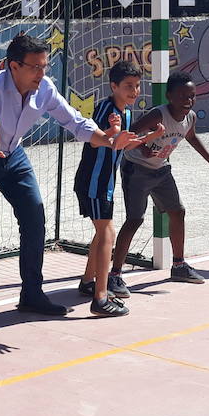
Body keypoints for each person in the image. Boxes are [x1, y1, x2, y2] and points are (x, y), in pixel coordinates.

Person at [0, 34, 137, 334]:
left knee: (34, 216)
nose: (42, 73)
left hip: (12, 156)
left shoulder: (45, 89)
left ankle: (32, 295)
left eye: (45, 66)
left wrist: (108, 140)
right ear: (13, 66)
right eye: (35, 67)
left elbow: (75, 122)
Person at [110, 71, 209, 296]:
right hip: (136, 169)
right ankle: (115, 276)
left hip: (161, 169)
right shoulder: (157, 115)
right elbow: (131, 134)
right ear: (169, 96)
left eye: (192, 96)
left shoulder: (191, 118)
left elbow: (191, 137)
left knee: (177, 211)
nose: (188, 100)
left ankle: (178, 266)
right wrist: (143, 148)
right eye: (183, 96)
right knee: (134, 220)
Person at [74, 61, 159, 317]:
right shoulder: (106, 109)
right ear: (113, 86)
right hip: (94, 181)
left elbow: (122, 145)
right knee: (106, 233)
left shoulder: (127, 112)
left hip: (105, 182)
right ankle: (100, 298)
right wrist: (111, 134)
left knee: (102, 233)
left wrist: (149, 138)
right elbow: (98, 141)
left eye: (136, 86)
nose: (134, 91)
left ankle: (89, 282)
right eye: (128, 87)